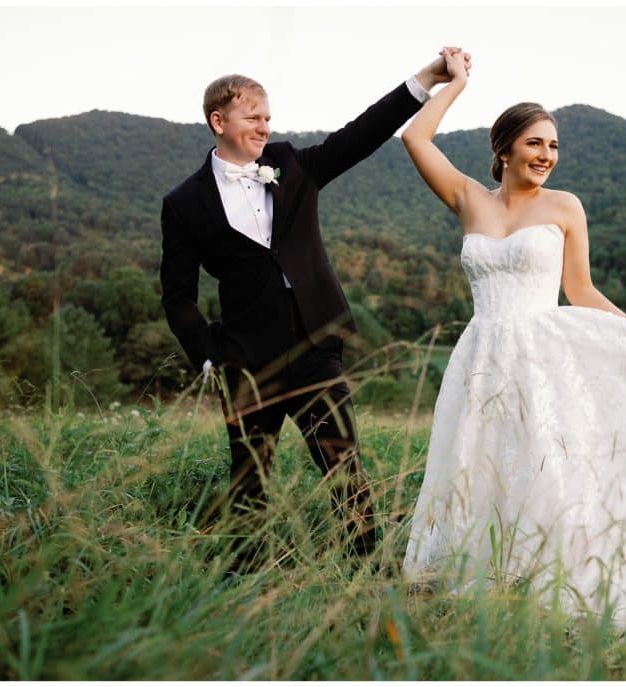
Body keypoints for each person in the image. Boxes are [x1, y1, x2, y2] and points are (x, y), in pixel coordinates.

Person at [400, 49, 626, 648]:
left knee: (548, 476)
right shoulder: (468, 198)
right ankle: (480, 589)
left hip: (544, 362)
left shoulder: (564, 207)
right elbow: (416, 135)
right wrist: (455, 81)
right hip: (481, 359)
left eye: (554, 146)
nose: (546, 155)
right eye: (535, 144)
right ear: (505, 148)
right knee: (478, 470)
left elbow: (580, 289)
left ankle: (555, 594)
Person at [160, 49, 471, 569]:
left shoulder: (290, 164)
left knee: (343, 463)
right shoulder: (183, 202)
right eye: (252, 116)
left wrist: (427, 80)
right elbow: (177, 294)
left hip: (313, 347)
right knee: (249, 477)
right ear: (219, 120)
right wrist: (209, 357)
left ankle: (366, 573)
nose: (265, 125)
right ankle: (246, 577)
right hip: (244, 359)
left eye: (267, 116)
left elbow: (360, 135)